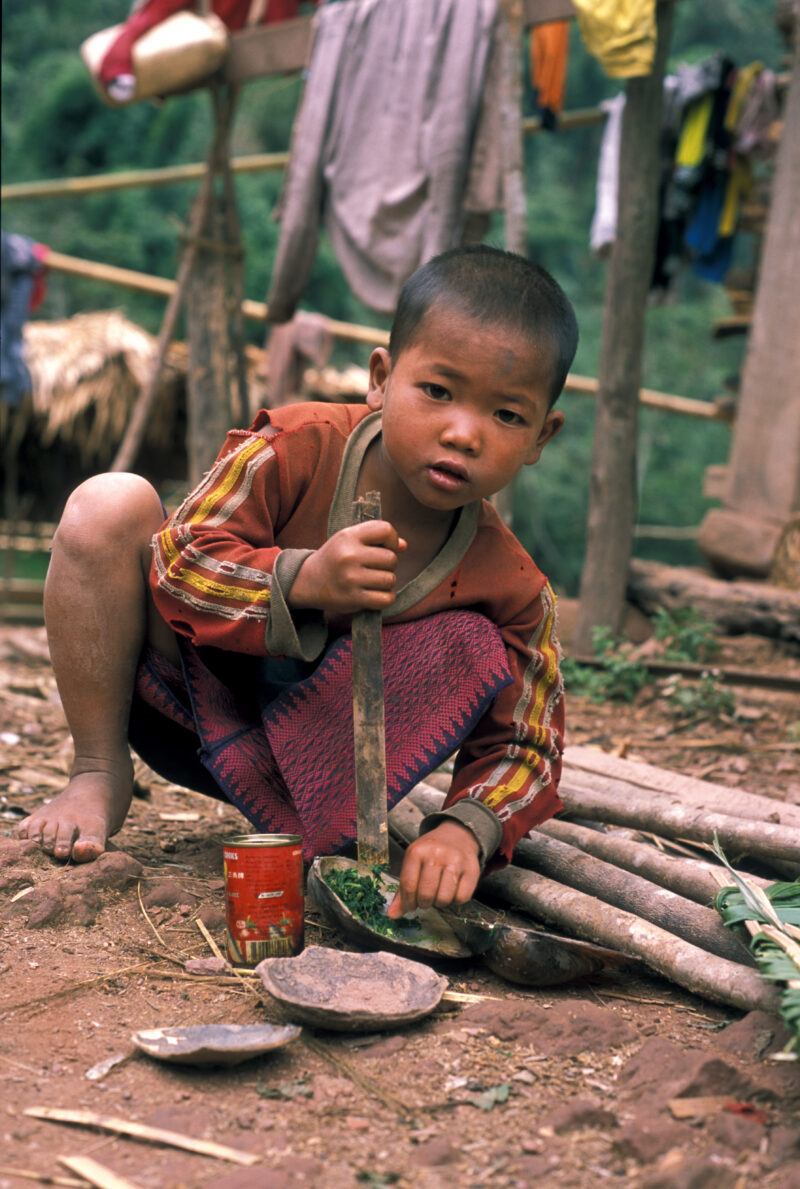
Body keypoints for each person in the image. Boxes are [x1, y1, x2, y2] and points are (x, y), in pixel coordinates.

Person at [17, 245, 578, 920]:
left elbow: (527, 744)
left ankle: (314, 830)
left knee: (474, 639)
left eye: (507, 415)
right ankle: (98, 771)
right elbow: (180, 559)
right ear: (381, 377)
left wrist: (467, 827)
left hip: (323, 780)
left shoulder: (513, 585)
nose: (463, 432)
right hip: (182, 707)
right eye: (437, 391)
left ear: (542, 436)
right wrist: (303, 578)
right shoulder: (295, 445)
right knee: (108, 504)